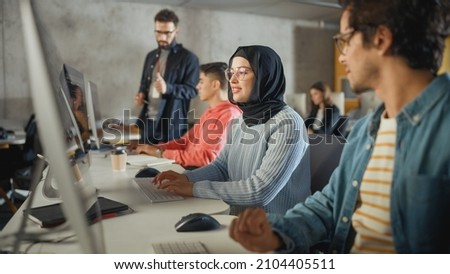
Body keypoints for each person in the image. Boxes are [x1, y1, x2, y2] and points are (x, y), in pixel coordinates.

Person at [229, 0, 450, 254]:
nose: (342, 55)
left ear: (381, 38)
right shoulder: (367, 129)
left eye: (344, 40)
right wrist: (279, 232)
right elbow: (331, 203)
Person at [153, 45, 311, 215]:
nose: (232, 80)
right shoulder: (239, 122)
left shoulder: (288, 123)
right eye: (231, 73)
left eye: (242, 72)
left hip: (274, 228)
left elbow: (260, 191)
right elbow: (221, 167)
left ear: (265, 77)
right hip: (238, 219)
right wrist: (186, 178)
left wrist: (194, 188)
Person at [133, 62, 241, 169]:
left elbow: (207, 158)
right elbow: (185, 142)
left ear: (215, 85)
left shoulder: (228, 114)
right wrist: (156, 148)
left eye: (201, 82)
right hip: (189, 169)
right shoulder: (211, 111)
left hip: (200, 176)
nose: (197, 87)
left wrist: (161, 153)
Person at [134, 9, 199, 144]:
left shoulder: (189, 58)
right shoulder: (150, 56)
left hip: (170, 125)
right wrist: (141, 94)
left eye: (167, 33)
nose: (162, 37)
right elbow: (143, 85)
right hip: (148, 122)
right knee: (142, 162)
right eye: (158, 32)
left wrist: (167, 88)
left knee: (167, 164)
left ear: (176, 31)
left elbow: (193, 91)